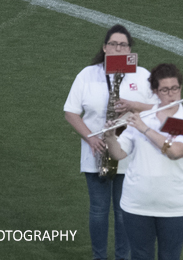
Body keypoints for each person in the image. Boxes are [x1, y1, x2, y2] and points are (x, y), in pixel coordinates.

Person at [63, 25, 159, 260]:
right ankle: (99, 257)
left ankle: (122, 258)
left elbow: (161, 108)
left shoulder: (142, 75)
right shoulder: (87, 75)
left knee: (123, 212)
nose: (118, 48)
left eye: (123, 45)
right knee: (98, 211)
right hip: (96, 152)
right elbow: (71, 112)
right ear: (105, 48)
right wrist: (90, 137)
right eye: (114, 44)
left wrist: (134, 105)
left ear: (129, 49)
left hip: (130, 154)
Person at [104, 63, 183, 260]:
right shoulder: (141, 118)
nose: (171, 95)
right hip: (137, 204)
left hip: (174, 206)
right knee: (140, 256)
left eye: (175, 88)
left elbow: (174, 152)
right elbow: (118, 154)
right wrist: (109, 137)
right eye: (165, 90)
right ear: (155, 92)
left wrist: (144, 129)